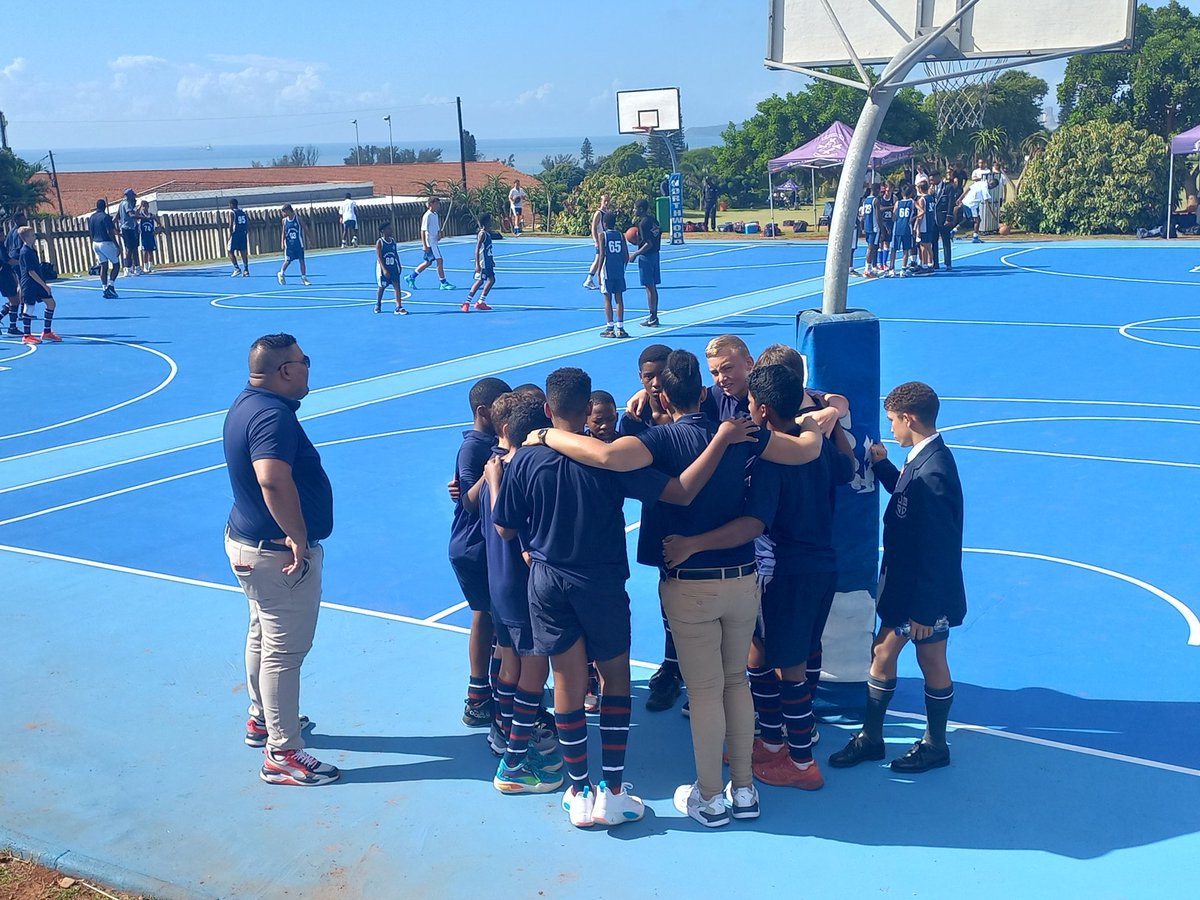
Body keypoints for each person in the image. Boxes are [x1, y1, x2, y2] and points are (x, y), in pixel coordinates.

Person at [533, 352, 825, 828]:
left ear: (662, 395)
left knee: (706, 691)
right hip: (744, 579)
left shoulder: (658, 440)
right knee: (737, 683)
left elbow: (606, 457)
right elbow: (807, 448)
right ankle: (746, 790)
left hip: (692, 586)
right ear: (704, 391)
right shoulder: (742, 434)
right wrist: (824, 413)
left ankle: (710, 797)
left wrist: (546, 435)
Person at [497, 366, 755, 828]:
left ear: (549, 410)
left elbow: (503, 525)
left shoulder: (525, 461)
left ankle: (578, 792)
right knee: (615, 679)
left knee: (569, 685)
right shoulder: (609, 462)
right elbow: (677, 492)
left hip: (548, 581)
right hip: (600, 583)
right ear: (589, 411)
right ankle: (613, 791)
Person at [662, 364, 842, 792]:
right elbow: (845, 465)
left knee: (789, 668)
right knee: (764, 655)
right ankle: (773, 739)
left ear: (760, 409)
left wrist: (694, 544)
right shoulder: (819, 446)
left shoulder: (770, 461)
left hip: (786, 571)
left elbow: (753, 524)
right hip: (823, 565)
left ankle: (800, 763)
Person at [829, 381, 966, 774]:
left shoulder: (934, 471)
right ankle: (874, 738)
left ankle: (933, 744)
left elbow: (938, 547)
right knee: (887, 653)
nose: (890, 428)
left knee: (927, 656)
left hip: (921, 592)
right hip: (906, 584)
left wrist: (925, 609)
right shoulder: (922, 459)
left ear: (909, 418)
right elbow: (908, 501)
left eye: (892, 421)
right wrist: (884, 465)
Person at [222, 333, 339, 786]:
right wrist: (297, 536)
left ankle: (261, 719)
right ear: (286, 370)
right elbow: (271, 478)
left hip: (247, 543)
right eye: (304, 361)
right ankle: (283, 753)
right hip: (275, 555)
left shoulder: (246, 404)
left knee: (261, 632)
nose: (308, 367)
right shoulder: (273, 417)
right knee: (284, 654)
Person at [473, 392, 563, 793]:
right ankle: (516, 758)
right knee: (534, 670)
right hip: (523, 585)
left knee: (510, 667)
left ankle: (506, 735)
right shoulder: (523, 472)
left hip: (499, 583)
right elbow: (513, 531)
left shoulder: (493, 468)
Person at [450, 377, 513, 727]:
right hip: (473, 546)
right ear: (483, 412)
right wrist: (494, 473)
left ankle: (492, 683)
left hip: (483, 544)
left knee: (492, 615)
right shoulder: (475, 448)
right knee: (484, 615)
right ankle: (477, 695)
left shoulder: (489, 443)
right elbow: (470, 502)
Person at [617, 343, 673, 438]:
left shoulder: (692, 406)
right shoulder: (632, 419)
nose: (656, 383)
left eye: (663, 375)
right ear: (641, 377)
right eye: (649, 377)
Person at [16, 226, 60, 345]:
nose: (34, 237)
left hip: (37, 282)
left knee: (51, 303)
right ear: (26, 238)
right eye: (32, 235)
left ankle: (46, 332)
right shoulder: (25, 252)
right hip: (30, 283)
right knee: (29, 307)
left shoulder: (32, 250)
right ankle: (26, 335)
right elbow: (31, 272)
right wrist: (44, 286)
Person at [405, 197, 454, 291]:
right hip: (430, 243)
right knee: (439, 261)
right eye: (436, 204)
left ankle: (412, 276)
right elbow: (423, 230)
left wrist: (439, 234)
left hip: (434, 242)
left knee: (428, 262)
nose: (438, 206)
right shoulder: (427, 215)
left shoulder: (435, 215)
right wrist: (424, 244)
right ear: (431, 204)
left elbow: (435, 228)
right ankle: (443, 282)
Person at [628, 199, 662, 327]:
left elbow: (648, 244)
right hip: (655, 255)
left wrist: (635, 254)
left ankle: (652, 317)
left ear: (641, 209)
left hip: (647, 257)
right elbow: (654, 238)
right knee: (653, 287)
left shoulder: (642, 224)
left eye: (635, 208)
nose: (634, 210)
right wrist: (639, 241)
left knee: (649, 287)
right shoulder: (653, 220)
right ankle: (654, 315)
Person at [598, 212, 629, 338]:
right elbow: (626, 256)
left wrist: (598, 271)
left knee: (607, 299)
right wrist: (623, 268)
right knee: (619, 299)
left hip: (607, 272)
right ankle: (620, 328)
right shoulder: (621, 235)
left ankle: (610, 328)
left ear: (604, 224)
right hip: (619, 271)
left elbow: (601, 255)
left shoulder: (603, 235)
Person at [88, 200, 121, 299]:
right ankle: (111, 286)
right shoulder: (106, 217)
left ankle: (104, 288)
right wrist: (117, 245)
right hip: (105, 242)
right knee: (116, 264)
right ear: (105, 206)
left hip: (95, 243)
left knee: (103, 266)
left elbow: (91, 231)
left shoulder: (92, 217)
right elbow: (110, 231)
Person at [374, 222, 408, 315]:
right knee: (382, 286)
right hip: (383, 267)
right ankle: (378, 303)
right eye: (388, 229)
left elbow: (395, 253)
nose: (391, 230)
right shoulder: (380, 242)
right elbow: (379, 257)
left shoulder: (393, 241)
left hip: (393, 266)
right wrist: (384, 269)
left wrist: (399, 265)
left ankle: (399, 306)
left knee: (397, 286)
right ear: (383, 231)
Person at [464, 213, 495, 313]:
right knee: (480, 281)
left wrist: (492, 260)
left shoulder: (488, 233)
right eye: (490, 221)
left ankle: (481, 301)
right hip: (483, 263)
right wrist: (477, 264)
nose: (492, 223)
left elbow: (488, 248)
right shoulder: (482, 234)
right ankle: (467, 302)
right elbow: (477, 249)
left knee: (491, 280)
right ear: (485, 222)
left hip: (488, 261)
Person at [0, 212, 24, 335]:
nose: (4, 236)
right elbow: (7, 260)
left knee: (13, 300)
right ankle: (12, 327)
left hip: (5, 275)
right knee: (15, 301)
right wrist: (21, 262)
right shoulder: (1, 247)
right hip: (4, 276)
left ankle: (12, 325)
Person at [930, 171, 958, 271]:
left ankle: (948, 263)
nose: (931, 182)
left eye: (933, 180)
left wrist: (949, 217)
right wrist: (930, 195)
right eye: (930, 180)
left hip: (943, 217)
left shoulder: (948, 187)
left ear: (938, 177)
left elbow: (951, 203)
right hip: (933, 219)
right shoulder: (931, 189)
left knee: (946, 240)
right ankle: (935, 263)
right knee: (934, 241)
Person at [277, 204, 311, 286]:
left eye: (284, 212)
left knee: (302, 261)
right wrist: (282, 242)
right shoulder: (284, 221)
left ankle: (303, 278)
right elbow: (283, 233)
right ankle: (281, 273)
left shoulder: (298, 219)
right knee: (288, 261)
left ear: (288, 211)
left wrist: (310, 239)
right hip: (289, 246)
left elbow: (305, 229)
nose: (283, 214)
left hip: (298, 244)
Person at [582, 194, 610, 290]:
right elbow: (593, 227)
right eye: (605, 201)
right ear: (601, 201)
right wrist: (596, 240)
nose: (606, 203)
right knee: (598, 260)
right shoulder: (598, 213)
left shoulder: (607, 213)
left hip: (605, 239)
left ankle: (600, 279)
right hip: (600, 240)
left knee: (602, 260)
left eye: (608, 201)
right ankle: (589, 279)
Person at [117, 188, 142, 276]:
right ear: (129, 196)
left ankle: (136, 267)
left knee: (134, 248)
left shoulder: (121, 204)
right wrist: (141, 217)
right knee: (130, 249)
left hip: (127, 228)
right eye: (133, 196)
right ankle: (128, 268)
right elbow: (131, 215)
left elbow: (117, 216)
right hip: (129, 228)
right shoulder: (127, 204)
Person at [893, 185, 916, 275]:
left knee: (894, 249)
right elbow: (922, 211)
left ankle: (892, 268)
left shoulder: (898, 203)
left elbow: (894, 216)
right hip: (907, 228)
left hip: (898, 227)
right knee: (906, 250)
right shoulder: (912, 202)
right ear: (911, 193)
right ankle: (903, 269)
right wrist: (914, 218)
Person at [875, 182, 895, 276]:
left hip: (889, 222)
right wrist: (890, 207)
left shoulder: (894, 198)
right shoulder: (880, 198)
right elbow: (880, 209)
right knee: (880, 243)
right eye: (887, 188)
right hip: (882, 222)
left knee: (887, 243)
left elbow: (896, 208)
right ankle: (880, 263)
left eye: (890, 188)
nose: (888, 190)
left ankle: (884, 263)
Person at [228, 199, 251, 277]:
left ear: (232, 204)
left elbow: (231, 225)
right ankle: (246, 270)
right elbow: (247, 223)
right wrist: (246, 232)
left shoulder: (232, 212)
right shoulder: (243, 212)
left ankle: (237, 268)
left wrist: (230, 234)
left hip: (235, 234)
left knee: (230, 251)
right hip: (242, 234)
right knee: (243, 252)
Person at [915, 181, 934, 271]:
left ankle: (925, 265)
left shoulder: (922, 199)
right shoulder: (931, 197)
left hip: (924, 224)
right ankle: (930, 263)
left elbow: (921, 214)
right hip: (930, 223)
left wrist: (917, 227)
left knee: (923, 245)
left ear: (920, 189)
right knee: (928, 245)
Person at [861, 184, 879, 277]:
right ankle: (867, 269)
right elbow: (877, 216)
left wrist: (863, 227)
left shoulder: (865, 200)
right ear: (876, 190)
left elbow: (863, 216)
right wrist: (882, 228)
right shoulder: (875, 201)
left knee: (871, 247)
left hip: (868, 227)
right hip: (874, 228)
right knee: (871, 248)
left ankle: (870, 267)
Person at [137, 200, 158, 274]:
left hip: (150, 235)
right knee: (145, 251)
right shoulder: (140, 216)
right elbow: (135, 215)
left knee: (151, 251)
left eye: (146, 206)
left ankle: (150, 266)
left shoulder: (152, 216)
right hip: (143, 236)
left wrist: (156, 231)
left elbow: (159, 224)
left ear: (148, 206)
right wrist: (139, 206)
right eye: (143, 206)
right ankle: (145, 267)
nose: (144, 207)